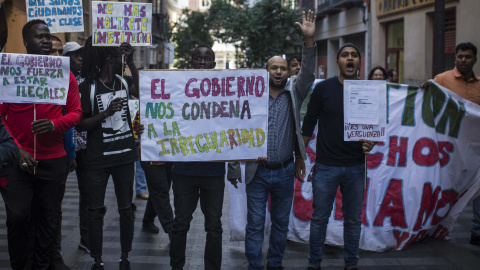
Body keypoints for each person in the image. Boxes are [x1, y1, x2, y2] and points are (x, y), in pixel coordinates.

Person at [227, 10, 317, 270]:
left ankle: (274, 264)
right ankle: (254, 265)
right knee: (255, 224)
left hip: (285, 171)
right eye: (273, 68)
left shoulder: (294, 93)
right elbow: (235, 131)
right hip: (258, 172)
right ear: (265, 71)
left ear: (288, 72)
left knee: (280, 224)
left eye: (282, 68)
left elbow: (308, 74)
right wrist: (234, 167)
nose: (278, 71)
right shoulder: (250, 98)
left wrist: (309, 42)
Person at [0, 19, 82, 270]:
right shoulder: (10, 72)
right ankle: (21, 265)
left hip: (53, 159)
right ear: (26, 41)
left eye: (48, 36)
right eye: (39, 36)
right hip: (17, 162)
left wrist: (55, 125)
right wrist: (17, 149)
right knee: (18, 216)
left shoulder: (64, 75)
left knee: (48, 218)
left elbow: (76, 112)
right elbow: (1, 115)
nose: (46, 40)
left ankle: (43, 263)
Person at [301, 43, 376, 270]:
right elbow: (309, 123)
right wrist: (299, 157)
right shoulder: (323, 88)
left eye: (354, 55)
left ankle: (351, 263)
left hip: (355, 166)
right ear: (338, 62)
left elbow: (372, 127)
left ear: (359, 62)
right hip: (325, 167)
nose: (350, 58)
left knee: (353, 220)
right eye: (345, 55)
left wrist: (370, 141)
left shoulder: (368, 90)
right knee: (319, 219)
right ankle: (314, 263)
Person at [77, 35, 142, 270]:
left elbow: (142, 90)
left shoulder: (123, 82)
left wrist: (132, 63)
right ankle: (97, 258)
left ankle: (125, 256)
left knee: (126, 208)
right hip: (96, 160)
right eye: (116, 55)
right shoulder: (87, 87)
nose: (119, 57)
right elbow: (80, 124)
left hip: (124, 156)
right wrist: (105, 113)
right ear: (107, 58)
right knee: (95, 210)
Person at [168, 44, 226, 270]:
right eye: (198, 59)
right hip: (183, 171)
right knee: (180, 223)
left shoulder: (224, 89)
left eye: (207, 59)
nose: (202, 63)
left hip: (213, 171)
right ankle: (176, 267)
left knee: (214, 226)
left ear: (214, 63)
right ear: (190, 62)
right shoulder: (178, 88)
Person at [422, 42, 480, 246]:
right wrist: (425, 89)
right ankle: (430, 224)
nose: (463, 60)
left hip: (473, 149)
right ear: (455, 57)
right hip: (447, 147)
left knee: (477, 187)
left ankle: (477, 231)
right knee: (443, 186)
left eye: (468, 57)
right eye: (460, 56)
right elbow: (428, 103)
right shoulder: (441, 80)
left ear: (475, 59)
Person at [49, 35, 77, 270]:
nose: (56, 57)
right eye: (52, 51)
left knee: (54, 208)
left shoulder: (67, 80)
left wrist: (72, 154)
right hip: (26, 154)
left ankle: (54, 253)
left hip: (60, 154)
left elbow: (71, 115)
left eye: (60, 52)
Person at [63, 41, 91, 254]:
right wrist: (70, 151)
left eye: (82, 54)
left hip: (85, 147)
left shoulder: (86, 81)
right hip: (63, 146)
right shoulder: (59, 82)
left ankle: (86, 237)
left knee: (87, 192)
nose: (80, 58)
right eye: (75, 55)